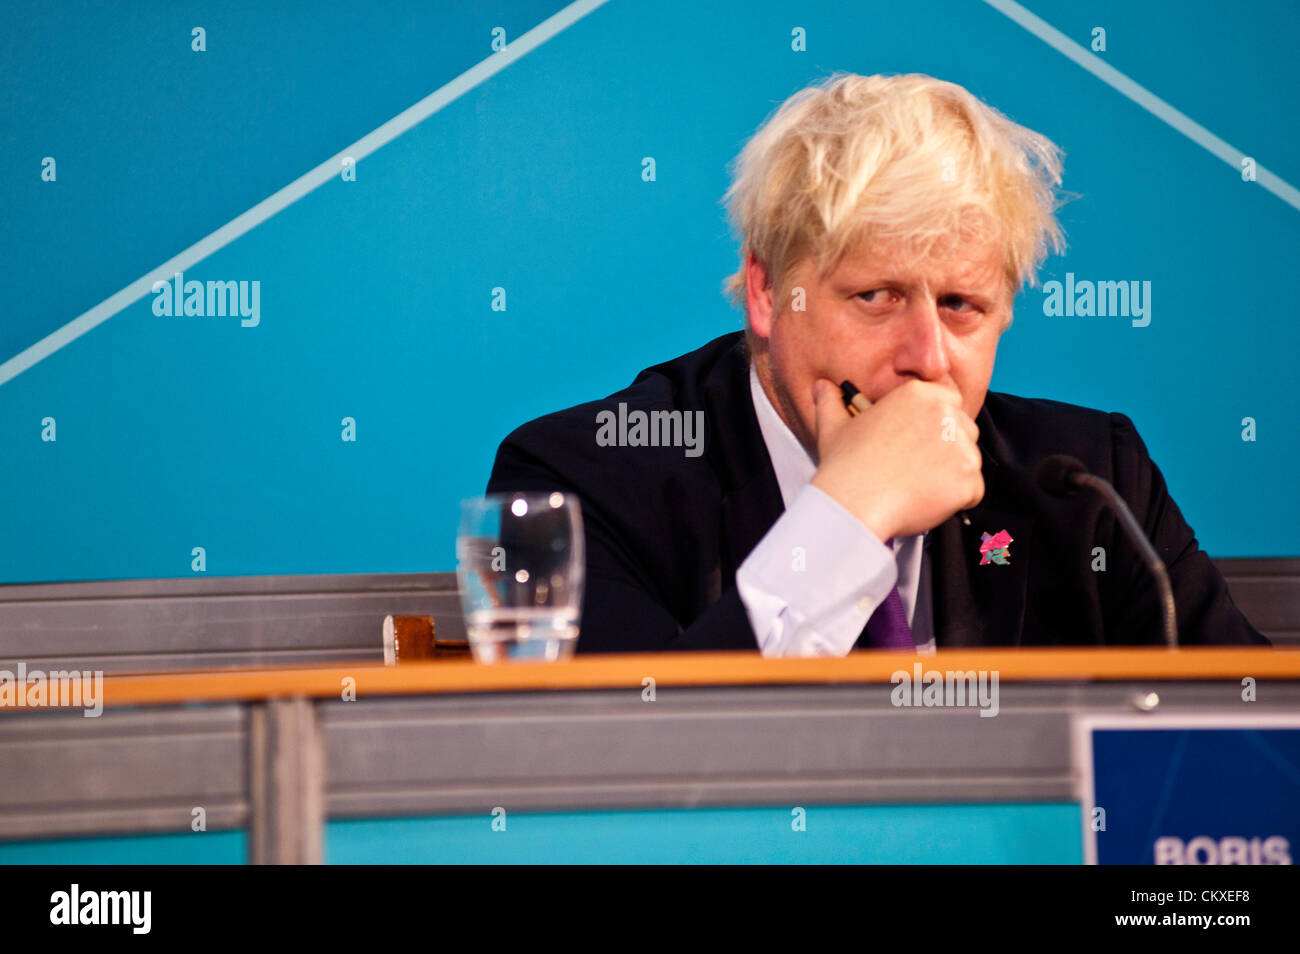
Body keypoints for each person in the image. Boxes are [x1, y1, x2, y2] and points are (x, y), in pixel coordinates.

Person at [486, 72, 1267, 653]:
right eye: (877, 297)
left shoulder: (1092, 483)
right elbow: (614, 775)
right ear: (766, 290)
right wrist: (847, 517)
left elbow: (1247, 752)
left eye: (962, 305)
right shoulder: (577, 484)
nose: (928, 360)